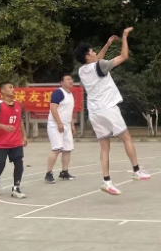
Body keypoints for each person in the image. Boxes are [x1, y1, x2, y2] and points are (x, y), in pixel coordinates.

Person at [74, 28, 150, 196]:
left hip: (94, 112)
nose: (95, 53)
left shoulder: (82, 70)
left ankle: (107, 181)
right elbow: (124, 56)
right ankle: (136, 171)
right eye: (92, 51)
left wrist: (107, 45)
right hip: (108, 109)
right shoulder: (100, 65)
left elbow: (97, 60)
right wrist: (124, 37)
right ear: (88, 56)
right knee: (126, 138)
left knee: (104, 147)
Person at [0, 82, 28, 198]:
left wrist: (24, 136)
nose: (13, 89)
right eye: (10, 87)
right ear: (2, 90)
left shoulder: (19, 105)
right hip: (0, 142)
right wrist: (3, 127)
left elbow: (20, 121)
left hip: (15, 141)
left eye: (13, 87)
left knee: (19, 163)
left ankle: (16, 188)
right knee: (0, 165)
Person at [45, 74, 77, 183]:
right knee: (57, 149)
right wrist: (59, 123)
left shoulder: (71, 94)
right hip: (55, 124)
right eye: (67, 79)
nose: (70, 81)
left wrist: (72, 125)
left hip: (66, 125)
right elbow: (53, 108)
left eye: (71, 79)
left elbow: (69, 111)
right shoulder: (58, 92)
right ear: (61, 82)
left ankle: (64, 172)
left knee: (67, 149)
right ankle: (48, 173)